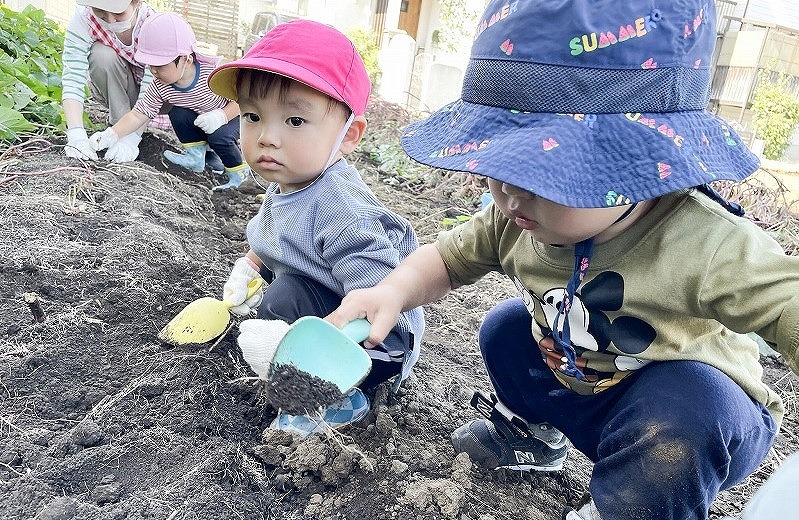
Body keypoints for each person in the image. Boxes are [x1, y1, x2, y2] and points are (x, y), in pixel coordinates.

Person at [326, 1, 799, 519]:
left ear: (634, 160)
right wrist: (393, 290)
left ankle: (626, 508)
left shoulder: (705, 240)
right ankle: (534, 436)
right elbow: (447, 258)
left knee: (683, 415)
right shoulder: (514, 219)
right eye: (497, 166)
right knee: (506, 328)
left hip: (685, 424)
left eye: (538, 172)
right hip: (582, 382)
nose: (506, 194)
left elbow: (784, 302)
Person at [206, 20, 425, 437]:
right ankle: (290, 344)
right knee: (281, 296)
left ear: (348, 136)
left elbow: (382, 303)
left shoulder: (342, 211)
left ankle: (338, 397)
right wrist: (252, 265)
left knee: (283, 297)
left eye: (294, 121)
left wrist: (309, 349)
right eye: (253, 116)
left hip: (379, 342)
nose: (267, 137)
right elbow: (277, 236)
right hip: (326, 299)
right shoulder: (290, 180)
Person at [89, 12, 248, 190]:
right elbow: (138, 114)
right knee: (177, 112)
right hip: (202, 121)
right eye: (151, 65)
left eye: (160, 65)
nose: (154, 71)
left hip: (231, 118)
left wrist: (221, 116)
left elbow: (243, 101)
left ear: (186, 60)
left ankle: (238, 174)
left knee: (220, 136)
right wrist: (111, 134)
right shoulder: (160, 86)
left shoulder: (212, 74)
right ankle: (196, 157)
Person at [61, 0, 156, 163]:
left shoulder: (152, 24)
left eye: (119, 13)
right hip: (120, 88)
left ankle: (125, 133)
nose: (110, 20)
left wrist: (132, 138)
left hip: (157, 98)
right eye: (101, 12)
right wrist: (76, 134)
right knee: (101, 55)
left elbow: (152, 87)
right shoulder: (84, 18)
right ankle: (118, 126)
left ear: (137, 2)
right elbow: (73, 77)